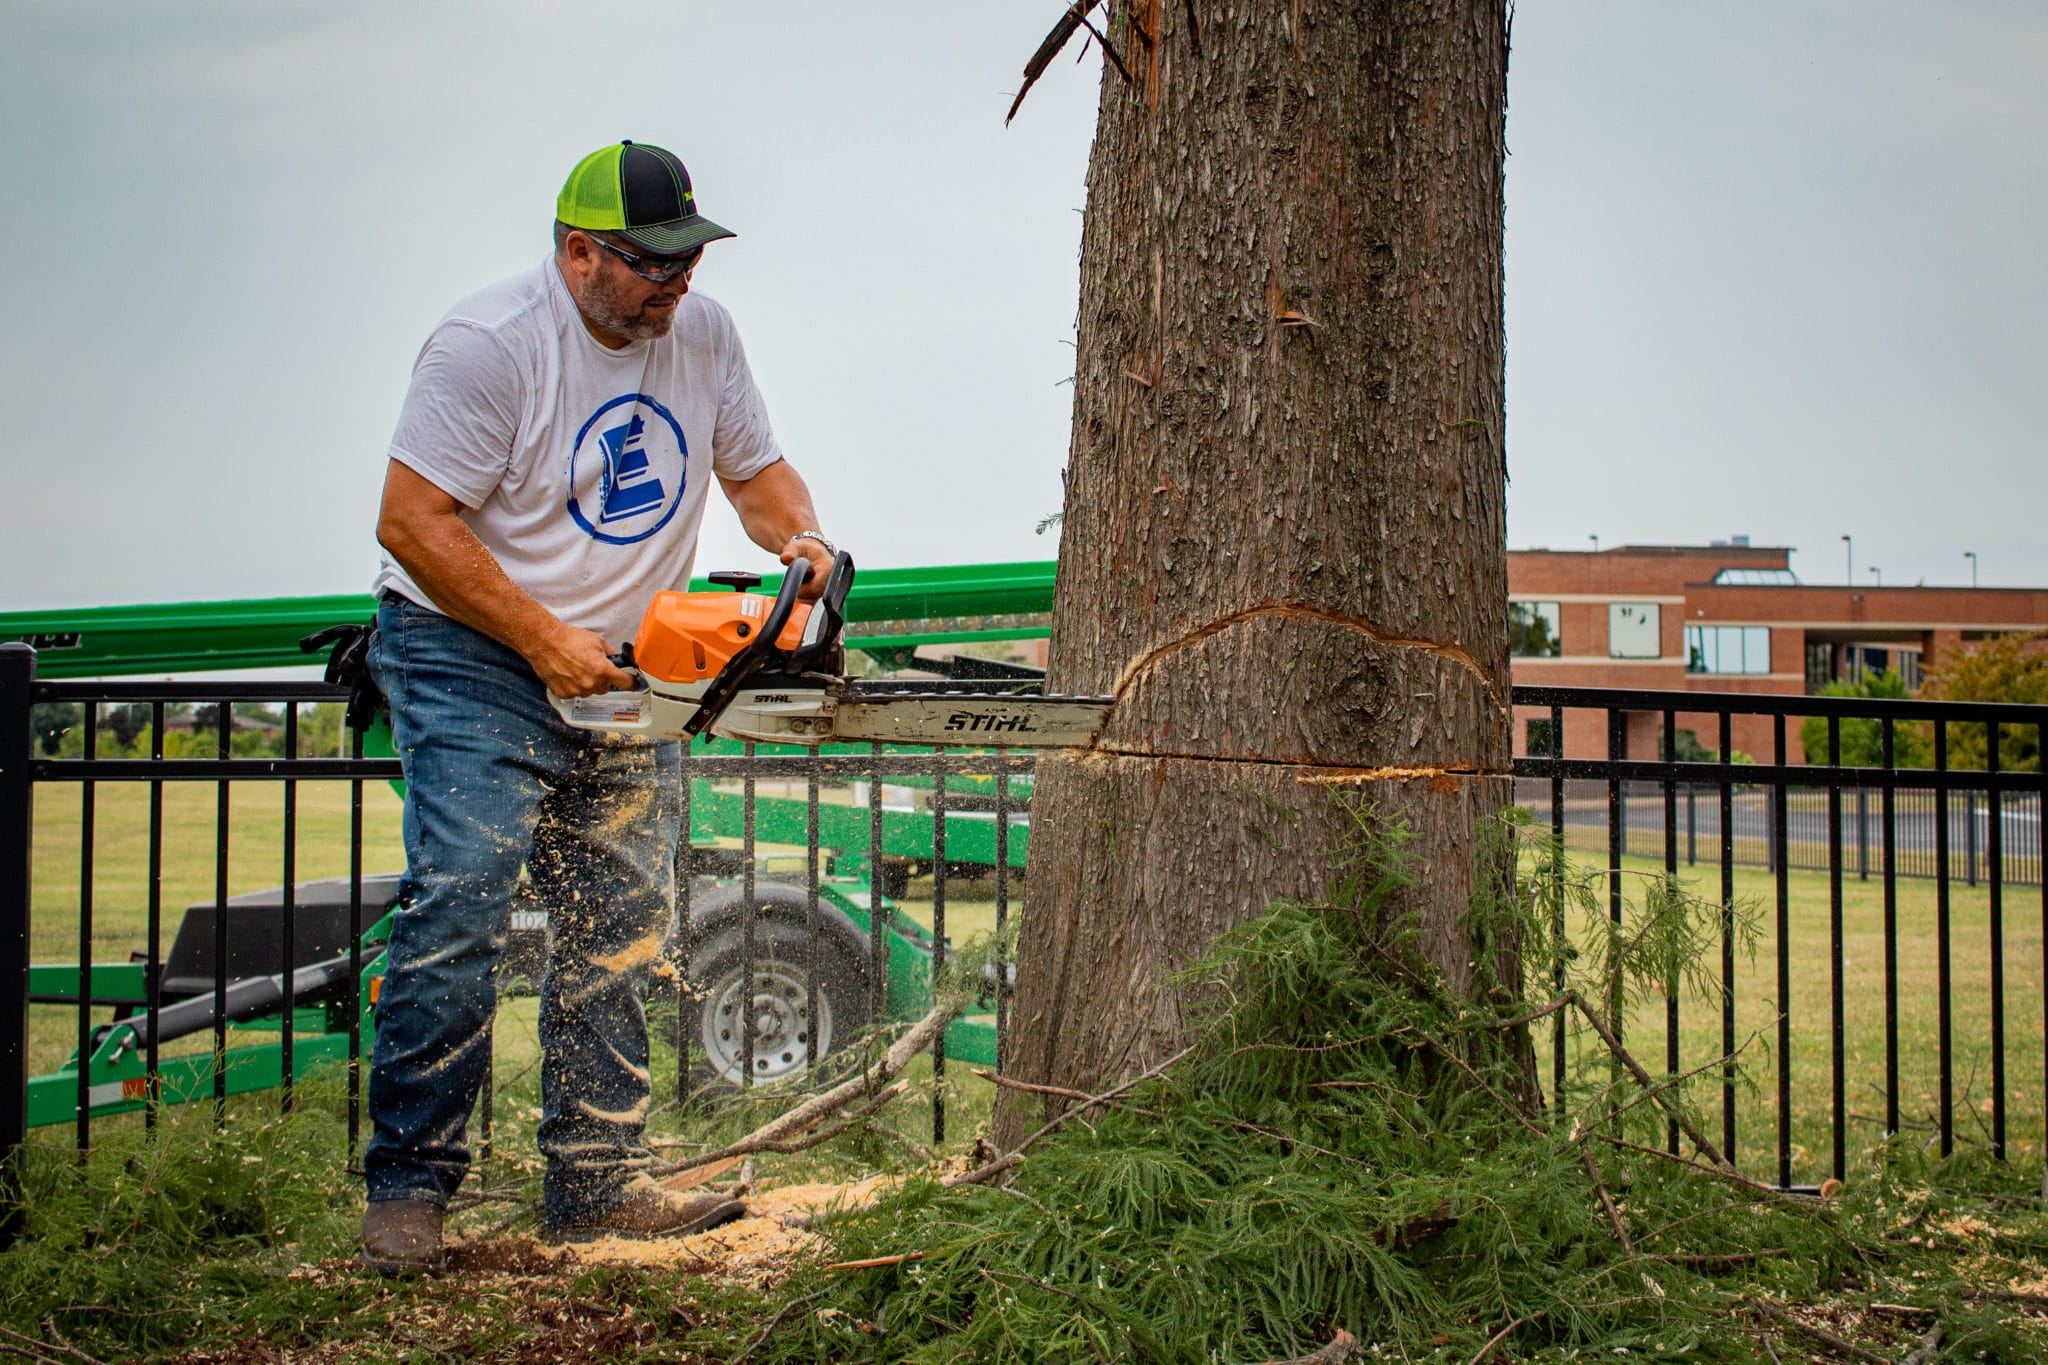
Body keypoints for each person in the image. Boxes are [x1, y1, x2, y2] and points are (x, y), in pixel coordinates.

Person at [359, 140, 833, 1276]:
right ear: (580, 254)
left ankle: (597, 1180)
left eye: (688, 259)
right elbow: (411, 522)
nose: (678, 282)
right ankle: (409, 1186)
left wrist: (802, 539)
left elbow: (755, 473)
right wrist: (540, 639)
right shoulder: (490, 346)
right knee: (464, 894)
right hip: (470, 650)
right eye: (653, 262)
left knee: (621, 918)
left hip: (625, 664)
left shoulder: (703, 335)